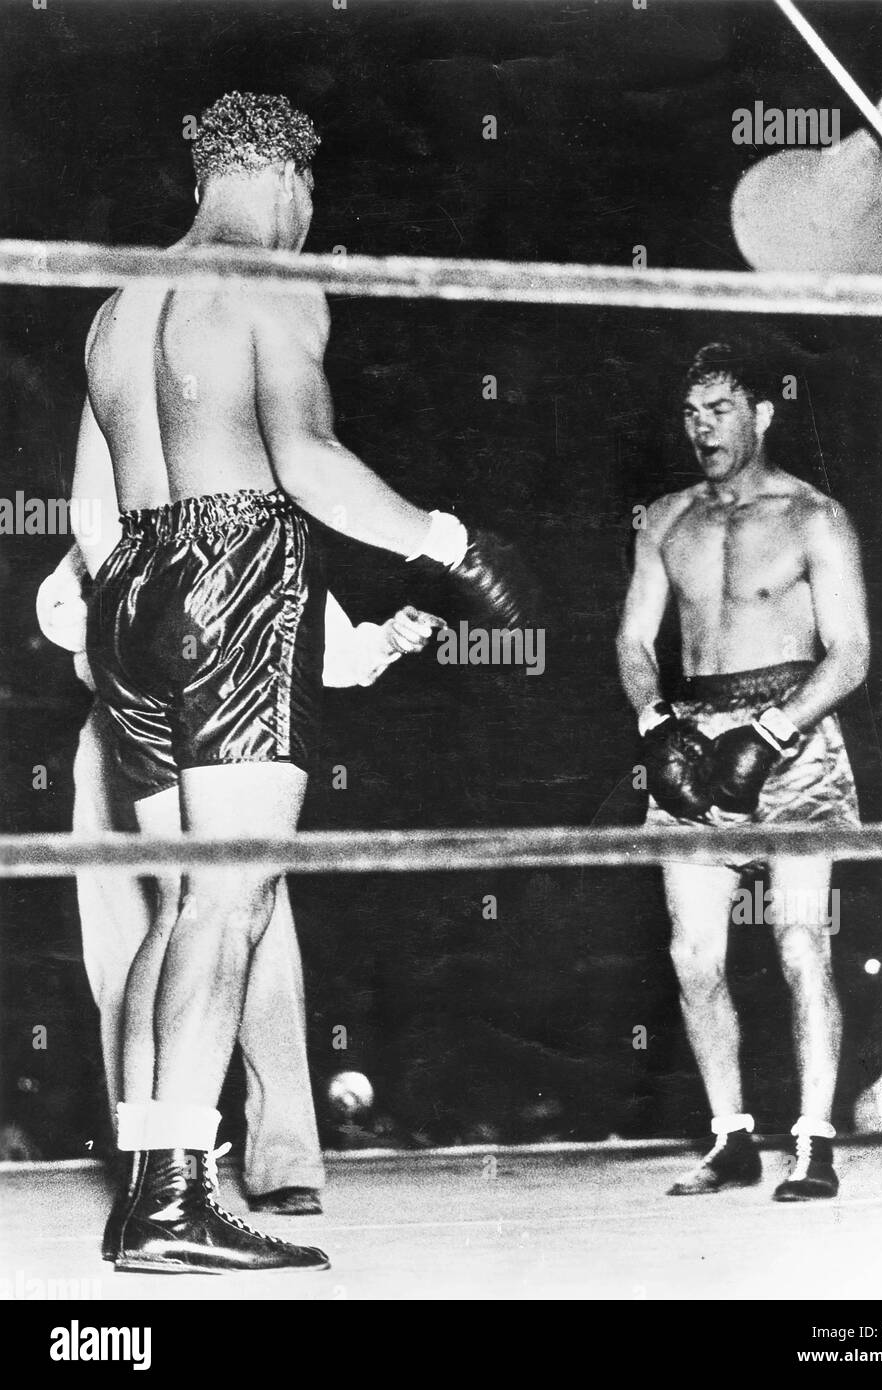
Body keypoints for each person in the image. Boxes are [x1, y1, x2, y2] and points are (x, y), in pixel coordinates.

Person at [71, 91, 529, 1273]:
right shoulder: (276, 278)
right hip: (235, 572)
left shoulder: (118, 301)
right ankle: (172, 1202)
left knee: (187, 903)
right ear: (290, 178)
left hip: (130, 590)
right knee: (230, 902)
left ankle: (159, 1182)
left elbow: (89, 512)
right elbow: (310, 464)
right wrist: (449, 542)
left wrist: (150, 593)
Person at [37, 543, 441, 1221]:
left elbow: (333, 655)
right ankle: (148, 1165)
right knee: (124, 953)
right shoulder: (121, 520)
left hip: (228, 740)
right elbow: (62, 621)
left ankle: (284, 1162)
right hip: (120, 738)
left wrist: (388, 640)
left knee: (258, 942)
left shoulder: (265, 533)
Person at [617, 340, 870, 1200]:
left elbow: (852, 655)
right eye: (691, 414)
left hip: (794, 744)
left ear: (763, 413)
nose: (703, 429)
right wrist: (657, 727)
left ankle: (815, 1141)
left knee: (802, 946)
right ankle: (731, 1138)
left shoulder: (814, 517)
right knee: (693, 957)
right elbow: (632, 643)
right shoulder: (665, 520)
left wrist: (771, 732)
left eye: (721, 410)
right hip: (693, 743)